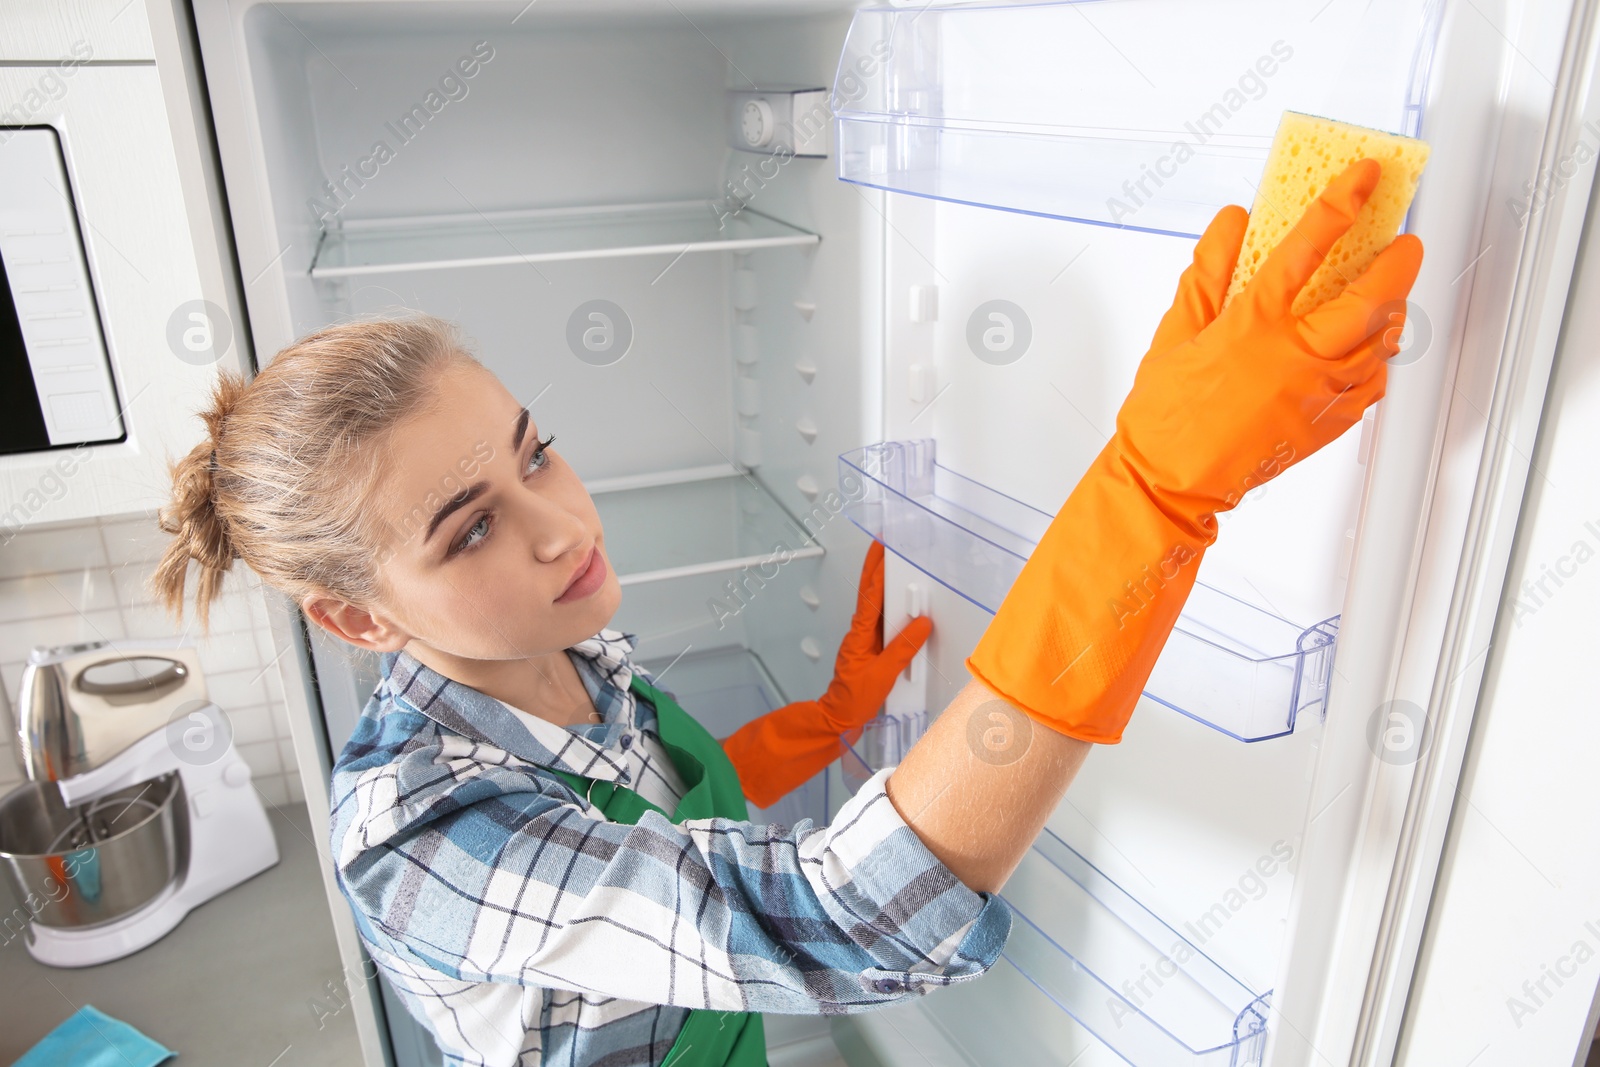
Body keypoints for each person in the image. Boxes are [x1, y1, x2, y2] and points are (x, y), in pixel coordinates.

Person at [152, 159, 1420, 1067]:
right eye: (468, 525)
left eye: (535, 453)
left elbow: (648, 820)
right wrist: (1152, 495)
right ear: (359, 620)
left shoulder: (557, 647)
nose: (559, 525)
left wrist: (826, 720)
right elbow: (835, 919)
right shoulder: (416, 829)